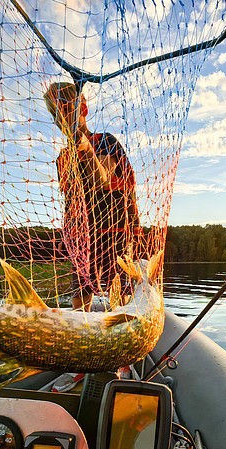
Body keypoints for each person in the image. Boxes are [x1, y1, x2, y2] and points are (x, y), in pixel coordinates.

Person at [44, 82, 141, 311]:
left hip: (114, 235)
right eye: (55, 113)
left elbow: (102, 179)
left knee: (120, 302)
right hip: (83, 240)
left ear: (83, 110)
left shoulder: (106, 142)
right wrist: (67, 234)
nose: (61, 118)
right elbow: (71, 200)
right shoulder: (63, 158)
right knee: (79, 302)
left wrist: (82, 143)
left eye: (65, 109)